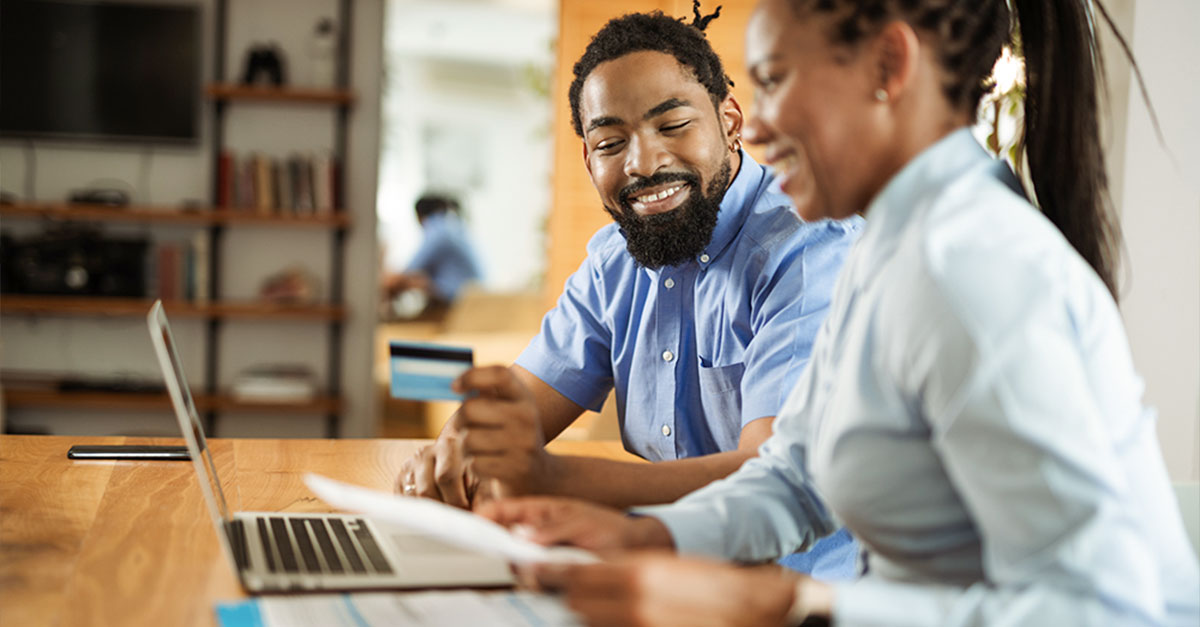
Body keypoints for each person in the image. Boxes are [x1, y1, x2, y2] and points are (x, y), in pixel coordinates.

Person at [476, 0, 1200, 625]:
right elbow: (796, 474)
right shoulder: (889, 247)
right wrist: (652, 539)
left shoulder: (972, 270)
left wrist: (774, 606)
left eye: (774, 81)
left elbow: (1108, 609)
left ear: (888, 66)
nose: (751, 128)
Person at [397, 4, 862, 578]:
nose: (643, 163)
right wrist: (458, 453)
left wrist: (555, 477)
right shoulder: (614, 261)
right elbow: (518, 409)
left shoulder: (809, 251)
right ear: (588, 159)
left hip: (807, 594)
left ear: (731, 120)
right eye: (612, 142)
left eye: (672, 126)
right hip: (664, 579)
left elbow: (770, 477)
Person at [383, 193, 482, 314]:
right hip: (476, 297)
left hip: (461, 300)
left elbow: (410, 271)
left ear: (419, 217)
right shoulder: (454, 226)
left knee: (411, 282)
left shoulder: (439, 230)